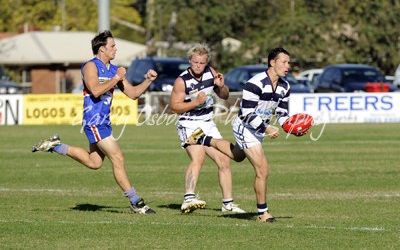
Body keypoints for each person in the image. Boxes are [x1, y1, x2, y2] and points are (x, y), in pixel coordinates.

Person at [31, 30, 157, 214]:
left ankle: (56, 146)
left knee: (94, 163)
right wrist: (116, 78)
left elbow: (133, 94)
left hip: (104, 121)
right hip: (93, 120)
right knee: (118, 157)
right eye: (112, 46)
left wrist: (148, 81)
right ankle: (136, 202)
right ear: (101, 49)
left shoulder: (114, 70)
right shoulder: (91, 66)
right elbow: (95, 91)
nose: (116, 49)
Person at [185, 47, 307, 222]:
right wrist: (266, 129)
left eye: (289, 63)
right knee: (262, 169)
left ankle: (205, 139)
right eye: (284, 62)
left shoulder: (284, 86)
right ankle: (262, 213)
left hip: (257, 129)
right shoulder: (255, 83)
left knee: (238, 156)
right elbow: (247, 114)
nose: (288, 66)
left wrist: (292, 128)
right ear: (272, 63)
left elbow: (282, 114)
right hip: (245, 127)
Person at [170, 43, 245, 214]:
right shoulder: (182, 81)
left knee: (224, 161)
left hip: (207, 123)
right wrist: (195, 102)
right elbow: (174, 107)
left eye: (201, 63)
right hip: (188, 124)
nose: (198, 66)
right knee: (198, 157)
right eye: (195, 62)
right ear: (190, 61)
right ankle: (188, 198)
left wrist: (221, 86)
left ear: (206, 63)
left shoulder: (211, 73)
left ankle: (228, 204)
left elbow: (224, 96)